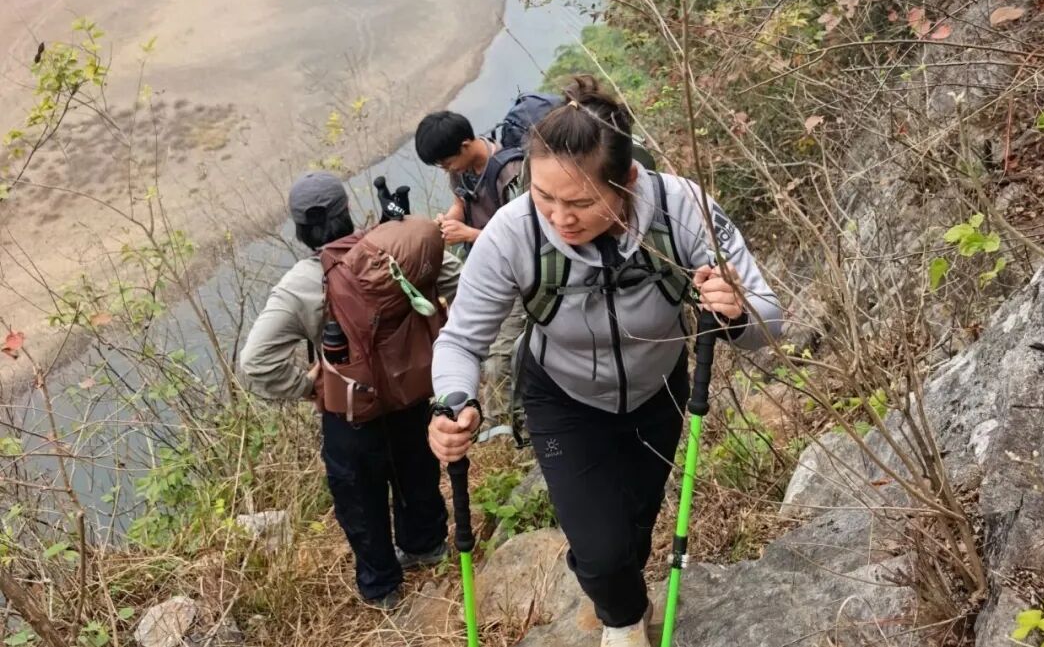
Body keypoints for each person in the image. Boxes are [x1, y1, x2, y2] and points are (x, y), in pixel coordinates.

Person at [427, 77, 784, 647]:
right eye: (543, 196)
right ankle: (622, 621)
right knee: (601, 550)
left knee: (634, 528)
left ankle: (617, 589)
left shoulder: (682, 208)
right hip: (562, 397)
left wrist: (736, 309)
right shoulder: (512, 233)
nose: (558, 217)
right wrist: (454, 400)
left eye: (580, 202)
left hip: (658, 389)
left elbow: (770, 320)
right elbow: (460, 342)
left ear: (627, 181)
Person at [239, 171, 462, 610]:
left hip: (351, 411)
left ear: (301, 230)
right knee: (417, 469)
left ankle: (382, 587)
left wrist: (307, 385)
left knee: (359, 497)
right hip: (412, 391)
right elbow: (458, 278)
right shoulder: (395, 248)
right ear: (347, 211)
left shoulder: (301, 284)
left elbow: (256, 361)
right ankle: (426, 546)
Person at [414, 109, 527, 407]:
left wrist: (468, 234)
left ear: (465, 146)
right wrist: (446, 222)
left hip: (514, 274)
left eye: (446, 163)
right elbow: (460, 204)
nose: (446, 170)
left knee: (499, 359)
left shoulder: (510, 172)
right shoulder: (461, 171)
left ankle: (503, 420)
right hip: (485, 269)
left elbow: (524, 237)